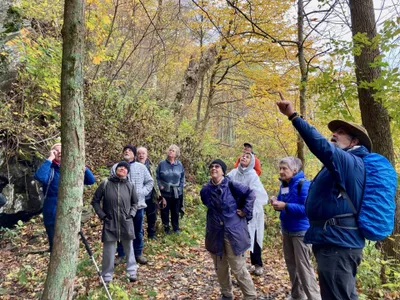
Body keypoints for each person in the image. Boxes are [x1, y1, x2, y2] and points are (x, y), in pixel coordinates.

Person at [276, 98, 371, 299]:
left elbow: (321, 146)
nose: (334, 134)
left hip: (339, 243)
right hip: (332, 240)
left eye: (341, 132)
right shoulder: (340, 164)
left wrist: (293, 117)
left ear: (354, 142)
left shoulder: (351, 161)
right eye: (334, 131)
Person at [200, 159, 257, 300]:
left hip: (233, 232)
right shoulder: (205, 189)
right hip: (214, 232)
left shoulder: (232, 185)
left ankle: (250, 295)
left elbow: (251, 194)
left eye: (217, 166)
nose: (214, 169)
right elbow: (207, 204)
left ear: (223, 171)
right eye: (211, 166)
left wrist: (245, 210)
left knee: (238, 267)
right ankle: (226, 294)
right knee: (220, 267)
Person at [271, 157, 320, 300]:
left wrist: (285, 206)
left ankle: (314, 297)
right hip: (287, 230)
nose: (281, 171)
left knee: (304, 268)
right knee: (292, 266)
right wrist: (276, 203)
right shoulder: (284, 185)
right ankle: (298, 296)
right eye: (280, 168)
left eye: (284, 168)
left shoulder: (304, 185)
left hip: (301, 232)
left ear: (294, 170)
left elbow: (307, 209)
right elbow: (282, 203)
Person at [34, 143, 95, 251]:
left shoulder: (72, 168)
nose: (60, 153)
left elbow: (90, 180)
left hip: (69, 211)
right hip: (52, 211)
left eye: (62, 150)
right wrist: (50, 159)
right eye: (57, 151)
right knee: (55, 246)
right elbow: (40, 177)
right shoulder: (50, 169)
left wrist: (82, 166)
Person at [92, 161, 138, 283]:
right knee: (109, 249)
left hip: (126, 221)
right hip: (110, 221)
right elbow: (95, 201)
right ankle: (107, 275)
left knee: (129, 247)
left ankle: (132, 271)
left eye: (125, 168)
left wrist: (131, 214)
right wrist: (102, 215)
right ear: (115, 169)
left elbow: (135, 203)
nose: (122, 169)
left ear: (127, 172)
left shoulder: (130, 185)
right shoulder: (106, 184)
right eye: (120, 167)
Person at [111, 144, 154, 265]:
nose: (127, 152)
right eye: (125, 150)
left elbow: (150, 182)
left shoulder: (141, 167)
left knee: (138, 230)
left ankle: (138, 253)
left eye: (130, 151)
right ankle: (121, 254)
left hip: (138, 205)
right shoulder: (116, 167)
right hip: (121, 206)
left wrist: (142, 192)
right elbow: (110, 184)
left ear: (134, 154)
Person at [227, 152, 268, 276]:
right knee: (238, 237)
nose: (244, 157)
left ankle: (257, 264)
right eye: (242, 156)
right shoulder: (233, 173)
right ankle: (240, 265)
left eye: (247, 156)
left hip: (252, 212)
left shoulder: (253, 175)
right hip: (237, 211)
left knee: (254, 237)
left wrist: (246, 208)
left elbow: (255, 194)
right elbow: (225, 184)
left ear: (252, 162)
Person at [156, 144, 185, 234]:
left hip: (176, 192)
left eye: (173, 151)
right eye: (170, 150)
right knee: (164, 211)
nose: (171, 152)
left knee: (175, 211)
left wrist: (180, 188)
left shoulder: (179, 164)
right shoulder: (162, 164)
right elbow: (156, 177)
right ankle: (166, 228)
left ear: (176, 154)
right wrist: (160, 186)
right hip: (165, 192)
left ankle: (176, 228)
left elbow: (182, 178)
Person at [136, 146, 161, 239]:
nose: (141, 155)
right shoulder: (133, 166)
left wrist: (158, 192)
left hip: (151, 196)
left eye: (143, 153)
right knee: (139, 217)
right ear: (136, 155)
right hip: (138, 197)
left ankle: (151, 234)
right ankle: (139, 235)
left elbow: (155, 180)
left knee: (152, 216)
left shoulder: (151, 166)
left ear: (147, 155)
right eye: (139, 154)